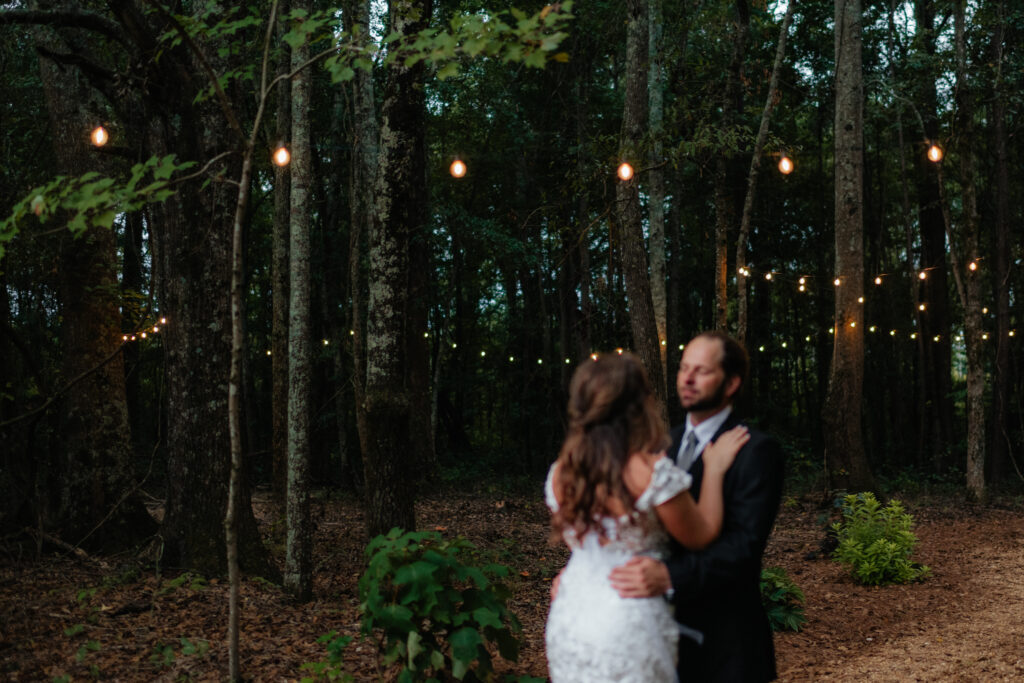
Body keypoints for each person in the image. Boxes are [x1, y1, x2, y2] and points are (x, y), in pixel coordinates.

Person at [544, 351, 750, 683]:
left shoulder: (561, 473)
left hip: (571, 614)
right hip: (629, 619)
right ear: (639, 405)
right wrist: (713, 471)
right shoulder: (650, 472)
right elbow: (702, 534)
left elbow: (590, 546)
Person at [609, 331, 785, 682]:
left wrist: (670, 577)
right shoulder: (660, 444)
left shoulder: (757, 451)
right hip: (653, 632)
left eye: (702, 371)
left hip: (725, 644)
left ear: (732, 382)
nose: (687, 379)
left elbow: (743, 549)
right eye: (684, 368)